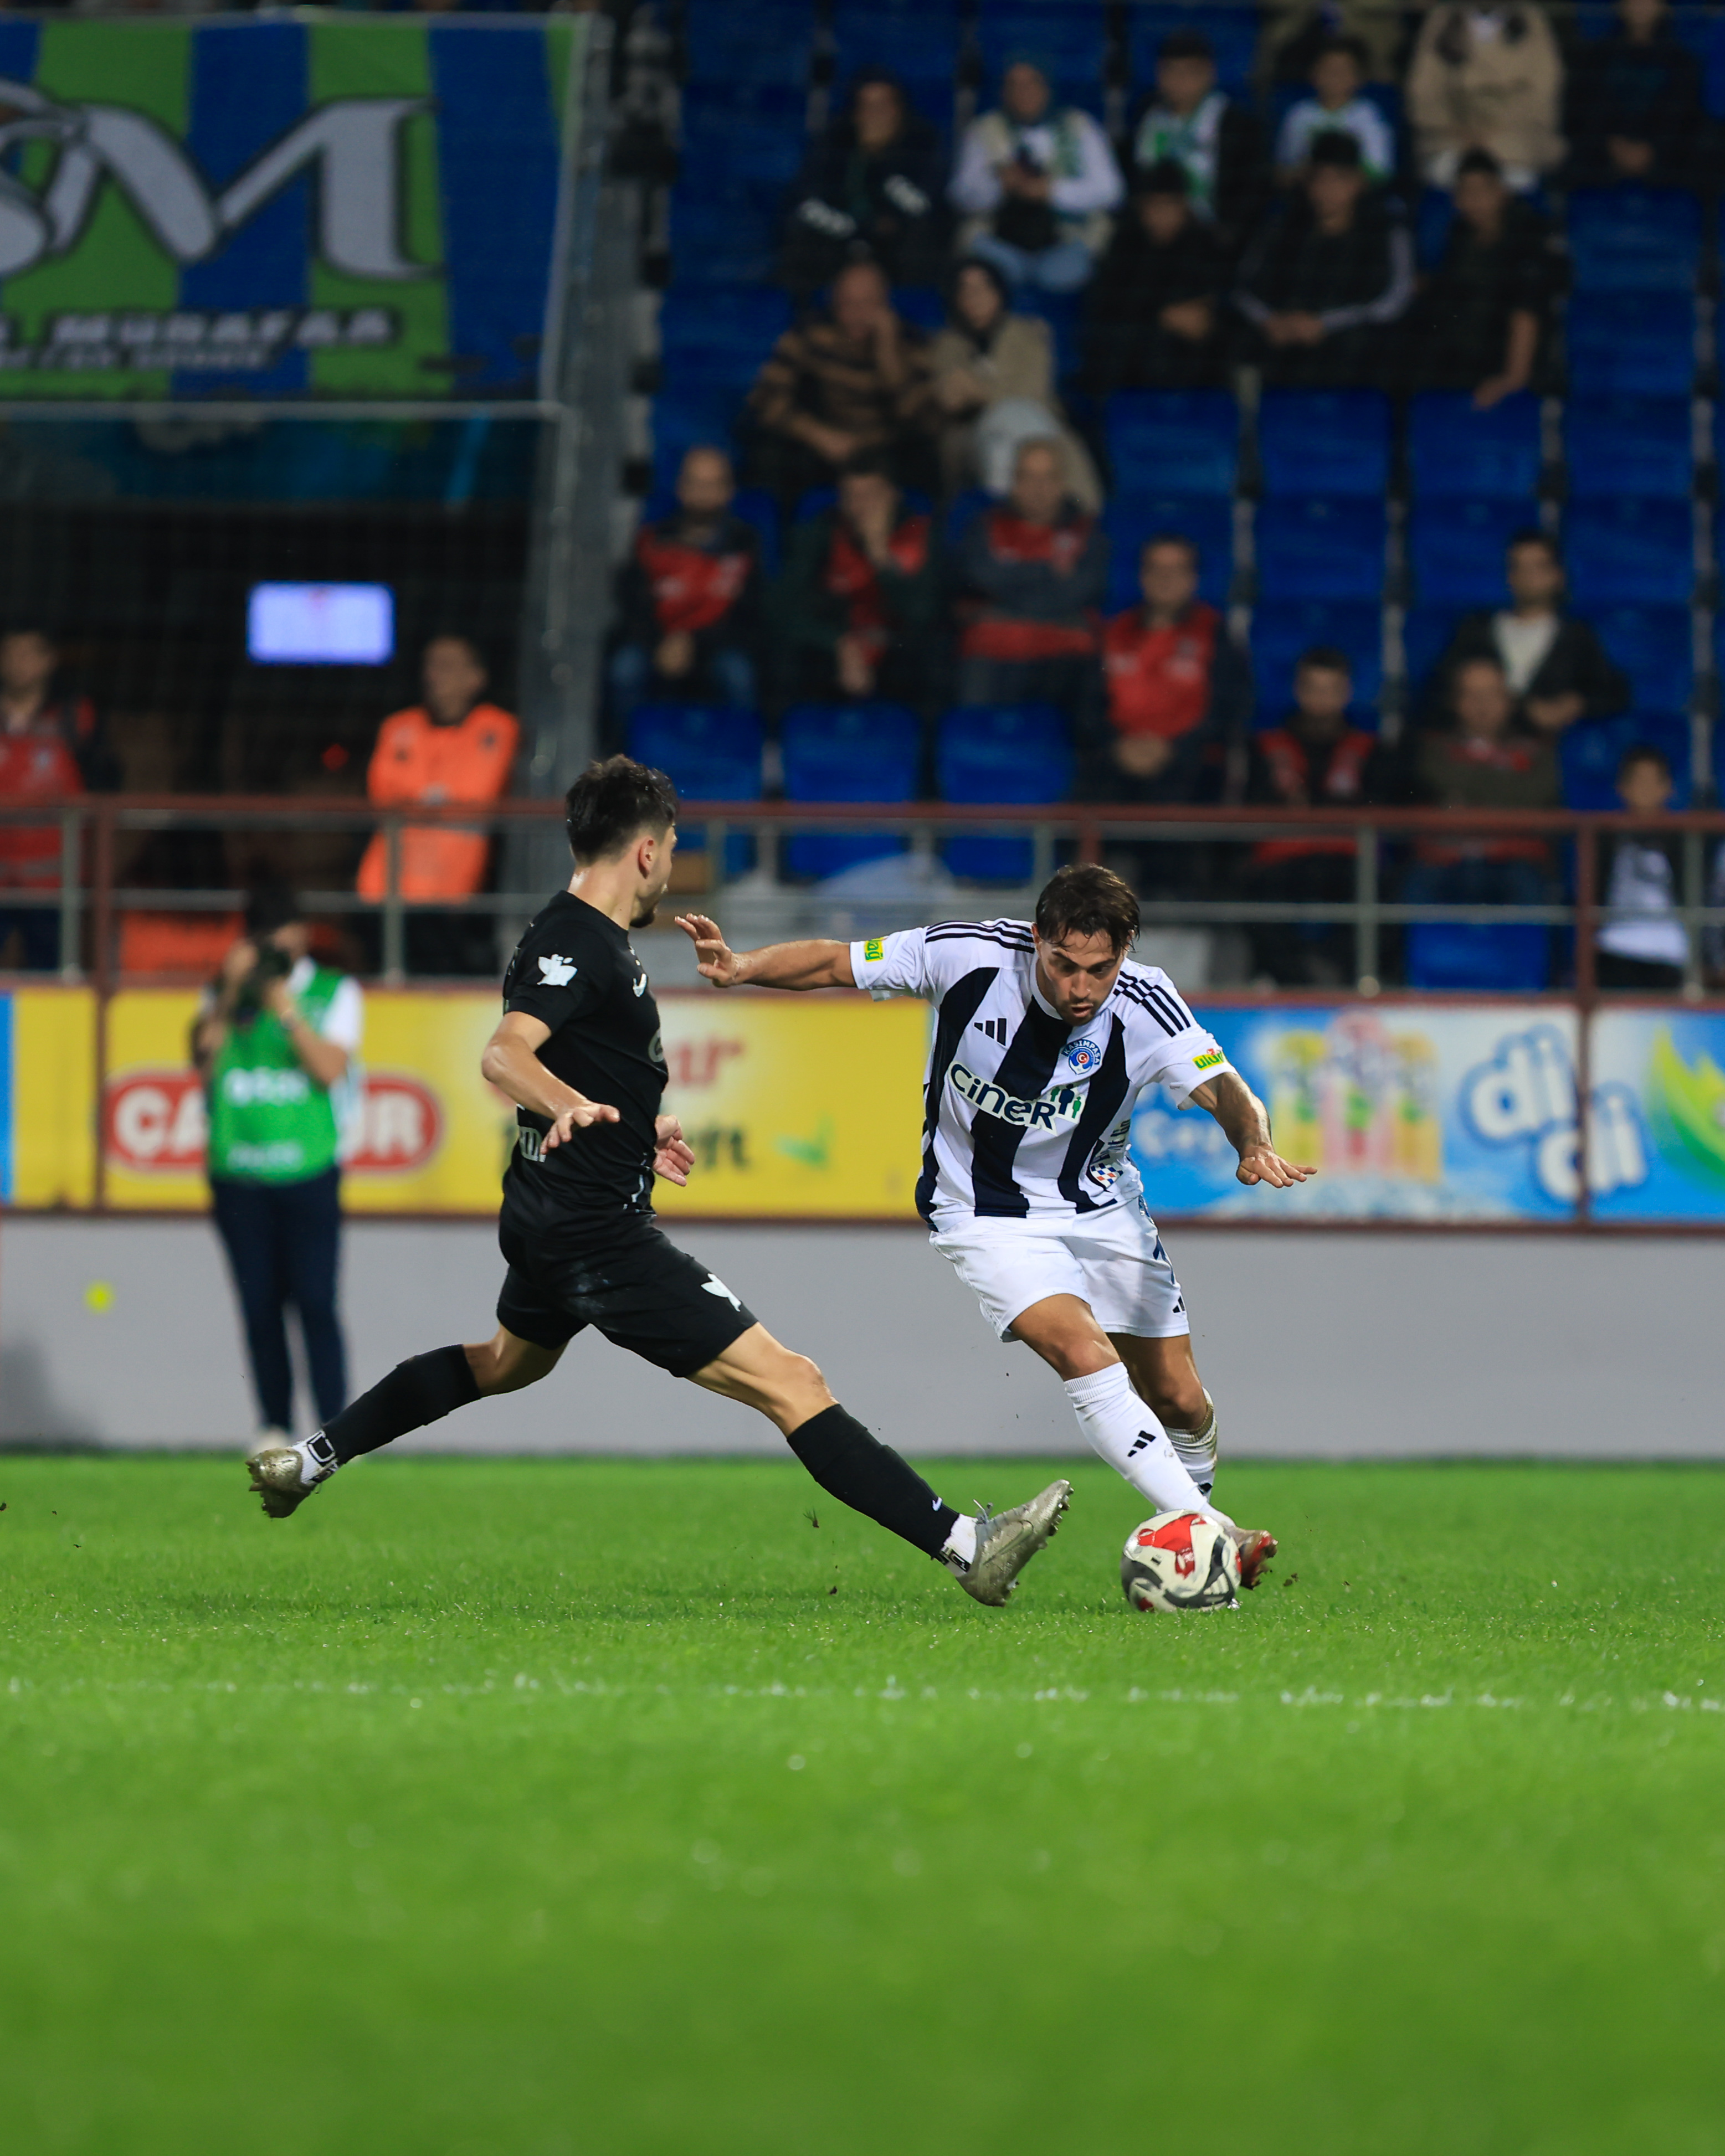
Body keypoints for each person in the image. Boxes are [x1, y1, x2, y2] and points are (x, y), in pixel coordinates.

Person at [247, 758, 1071, 1613]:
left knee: (502, 1362)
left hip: (548, 1210)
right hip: (591, 1230)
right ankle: (966, 1546)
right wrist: (567, 1105)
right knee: (792, 1382)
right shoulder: (576, 942)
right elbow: (504, 1054)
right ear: (644, 852)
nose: (672, 867)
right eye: (671, 849)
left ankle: (308, 1460)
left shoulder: (582, 939)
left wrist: (638, 1128)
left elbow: (580, 1060)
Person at [675, 862, 1306, 1587]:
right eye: (1064, 964)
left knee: (1178, 1398)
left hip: (1102, 1207)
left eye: (1099, 970)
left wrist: (1252, 1141)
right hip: (982, 1209)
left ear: (1124, 955)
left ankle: (1197, 1532)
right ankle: (1216, 1537)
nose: (1080, 987)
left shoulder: (1145, 1001)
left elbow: (1223, 1085)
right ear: (1037, 938)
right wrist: (744, 966)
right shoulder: (966, 954)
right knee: (1081, 1350)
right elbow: (833, 961)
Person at [195, 884, 362, 1448]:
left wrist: (285, 1008)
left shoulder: (333, 991)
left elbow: (329, 1070)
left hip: (309, 1169)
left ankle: (338, 1429)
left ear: (303, 936)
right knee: (259, 1306)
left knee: (316, 1301)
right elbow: (202, 1061)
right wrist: (228, 992)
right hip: (238, 1173)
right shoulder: (224, 993)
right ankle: (273, 1425)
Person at [1244, 646, 1388, 985]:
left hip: (1345, 857)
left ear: (1347, 693)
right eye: (1313, 688)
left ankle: (1350, 978)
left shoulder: (1371, 749)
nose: (1322, 699)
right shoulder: (1265, 745)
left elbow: (1380, 804)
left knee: (1378, 890)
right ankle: (1290, 981)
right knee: (1255, 892)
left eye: (1331, 689)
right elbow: (1253, 802)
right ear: (1298, 691)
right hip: (1284, 858)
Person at [746, 260, 938, 506]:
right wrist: (819, 435)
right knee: (769, 454)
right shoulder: (811, 332)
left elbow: (924, 418)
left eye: (867, 304)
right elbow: (764, 398)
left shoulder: (912, 341)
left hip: (889, 448)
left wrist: (888, 355)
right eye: (847, 304)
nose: (857, 314)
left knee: (923, 461)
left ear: (885, 305)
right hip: (825, 441)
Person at [1231, 130, 1413, 387]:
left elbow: (1394, 299)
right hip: (1283, 334)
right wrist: (1273, 321)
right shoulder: (1281, 227)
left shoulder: (1385, 229)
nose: (1327, 190)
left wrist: (1323, 324)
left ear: (1358, 182)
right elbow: (1245, 287)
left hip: (1347, 338)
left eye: (1339, 180)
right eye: (1319, 180)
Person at [1398, 654, 1561, 919]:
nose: (1482, 705)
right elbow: (1435, 777)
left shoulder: (1537, 753)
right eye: (1472, 695)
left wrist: (1466, 793)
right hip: (1446, 860)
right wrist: (1506, 795)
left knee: (1531, 890)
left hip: (1514, 861)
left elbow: (1537, 794)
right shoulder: (1433, 748)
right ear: (1455, 702)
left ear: (1509, 701)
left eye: (1491, 695)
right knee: (1415, 889)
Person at [929, 258, 1101, 509]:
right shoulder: (946, 344)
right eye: (965, 289)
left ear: (999, 292)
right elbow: (950, 400)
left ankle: (1073, 515)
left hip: (1038, 426)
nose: (975, 296)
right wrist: (994, 393)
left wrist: (978, 391)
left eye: (984, 287)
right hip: (973, 438)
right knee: (997, 435)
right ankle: (1005, 515)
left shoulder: (1029, 333)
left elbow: (1031, 393)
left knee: (1020, 422)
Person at [608, 446, 762, 725]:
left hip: (717, 645)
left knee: (738, 673)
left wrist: (694, 642)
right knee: (626, 668)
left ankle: (745, 748)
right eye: (696, 483)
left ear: (729, 491)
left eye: (713, 484)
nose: (703, 493)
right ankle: (624, 749)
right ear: (681, 488)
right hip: (658, 642)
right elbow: (633, 604)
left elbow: (749, 613)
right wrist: (660, 642)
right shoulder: (652, 541)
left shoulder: (743, 544)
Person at [1093, 534, 1250, 805]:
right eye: (1156, 569)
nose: (1165, 579)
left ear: (1193, 579)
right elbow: (1089, 705)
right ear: (1142, 576)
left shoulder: (1215, 634)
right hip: (1118, 763)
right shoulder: (1113, 633)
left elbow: (1231, 708)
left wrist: (1173, 749)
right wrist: (1117, 746)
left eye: (1177, 570)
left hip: (1189, 767)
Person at [953, 437, 1108, 710]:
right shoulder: (985, 527)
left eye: (1049, 477)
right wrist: (1049, 572)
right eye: (1029, 477)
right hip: (994, 653)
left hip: (1064, 655)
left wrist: (1007, 598)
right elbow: (982, 578)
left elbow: (1079, 591)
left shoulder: (1087, 533)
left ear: (1062, 482)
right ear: (1015, 481)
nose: (1039, 488)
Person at [774, 450, 940, 704]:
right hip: (835, 647)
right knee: (788, 657)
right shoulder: (821, 532)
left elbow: (922, 614)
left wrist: (880, 555)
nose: (861, 506)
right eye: (851, 496)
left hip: (897, 651)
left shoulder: (918, 533)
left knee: (932, 657)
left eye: (871, 495)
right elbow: (783, 609)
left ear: (893, 496)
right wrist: (839, 643)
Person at [949, 56, 1123, 293]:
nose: (1023, 93)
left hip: (1068, 237)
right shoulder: (985, 129)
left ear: (1047, 88)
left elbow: (1112, 192)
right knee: (994, 268)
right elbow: (960, 196)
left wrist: (1051, 191)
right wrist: (1000, 186)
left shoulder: (1080, 125)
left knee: (1058, 273)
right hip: (1002, 237)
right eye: (1013, 85)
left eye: (1031, 83)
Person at [1433, 531, 1628, 738]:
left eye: (1538, 567)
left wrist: (1574, 704)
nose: (1529, 576)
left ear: (1558, 575)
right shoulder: (1476, 629)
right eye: (1520, 567)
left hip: (1543, 750)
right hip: (1474, 748)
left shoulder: (1576, 636)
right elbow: (1439, 689)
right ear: (1510, 576)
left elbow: (1614, 693)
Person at [0, 626, 115, 972]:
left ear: (49, 660)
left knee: (52, 979)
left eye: (29, 653)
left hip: (54, 885)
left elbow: (106, 784)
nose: (18, 662)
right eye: (10, 653)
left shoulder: (74, 717)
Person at [1404, 148, 1557, 405]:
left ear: (1501, 192)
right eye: (1465, 191)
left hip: (1502, 359)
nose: (1473, 200)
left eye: (1482, 191)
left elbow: (1526, 313)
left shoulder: (1528, 237)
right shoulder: (1459, 235)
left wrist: (1513, 377)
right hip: (1460, 356)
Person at [781, 69, 947, 297]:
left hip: (897, 251)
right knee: (801, 241)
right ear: (855, 113)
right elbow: (806, 204)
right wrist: (857, 229)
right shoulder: (833, 144)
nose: (875, 115)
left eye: (883, 106)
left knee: (922, 238)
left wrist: (880, 161)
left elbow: (923, 207)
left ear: (900, 111)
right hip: (839, 243)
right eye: (867, 106)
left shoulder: (923, 145)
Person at [1081, 161, 1230, 393]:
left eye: (1168, 205)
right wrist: (1161, 316)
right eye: (1152, 206)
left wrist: (1207, 318)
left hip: (1192, 360)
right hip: (1134, 357)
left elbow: (1219, 301)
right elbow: (1106, 306)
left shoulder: (1206, 245)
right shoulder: (1125, 246)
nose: (1160, 215)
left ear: (1183, 206)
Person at [1406, 3, 1565, 192]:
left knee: (1518, 178)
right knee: (1442, 172)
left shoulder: (1530, 18)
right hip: (1454, 137)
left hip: (1514, 138)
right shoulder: (1443, 18)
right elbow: (1423, 88)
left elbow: (1544, 88)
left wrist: (1493, 133)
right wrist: (1459, 130)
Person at [1131, 30, 1266, 253]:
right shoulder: (1146, 119)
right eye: (1170, 71)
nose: (1179, 81)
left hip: (1212, 237)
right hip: (1152, 232)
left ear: (1209, 74)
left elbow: (1251, 190)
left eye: (1188, 73)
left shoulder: (1236, 124)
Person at [1565, 0, 1705, 190]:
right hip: (1598, 166)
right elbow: (1580, 113)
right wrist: (1612, 146)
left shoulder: (1683, 63)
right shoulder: (1595, 58)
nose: (1640, 4)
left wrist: (1653, 150)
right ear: (1618, 5)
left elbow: (1684, 118)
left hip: (1667, 169)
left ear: (1664, 6)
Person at [1596, 743, 1688, 991]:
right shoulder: (1604, 836)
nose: (1645, 790)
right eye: (1638, 781)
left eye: (1652, 782)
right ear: (1622, 788)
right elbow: (1592, 893)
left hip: (1670, 952)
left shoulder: (1685, 838)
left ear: (1667, 788)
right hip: (1614, 947)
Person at [1274, 36, 1396, 187]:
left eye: (1343, 71)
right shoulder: (1299, 114)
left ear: (1360, 78)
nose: (1335, 77)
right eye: (1328, 70)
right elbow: (1285, 168)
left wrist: (1341, 183)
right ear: (1313, 74)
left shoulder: (1369, 115)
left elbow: (1380, 170)